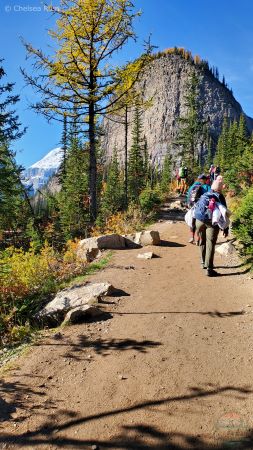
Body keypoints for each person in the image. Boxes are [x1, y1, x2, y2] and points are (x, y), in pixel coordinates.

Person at [194, 178, 229, 277]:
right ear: (220, 188)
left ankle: (203, 263)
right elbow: (224, 213)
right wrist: (225, 229)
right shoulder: (220, 196)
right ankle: (209, 268)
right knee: (210, 244)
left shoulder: (205, 194)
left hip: (199, 221)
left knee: (202, 241)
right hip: (211, 222)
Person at [186, 174, 210, 244]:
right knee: (200, 223)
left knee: (192, 221)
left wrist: (188, 203)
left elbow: (188, 195)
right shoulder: (207, 186)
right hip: (202, 207)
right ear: (205, 180)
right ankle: (198, 239)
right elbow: (210, 196)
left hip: (193, 206)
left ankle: (192, 237)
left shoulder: (194, 185)